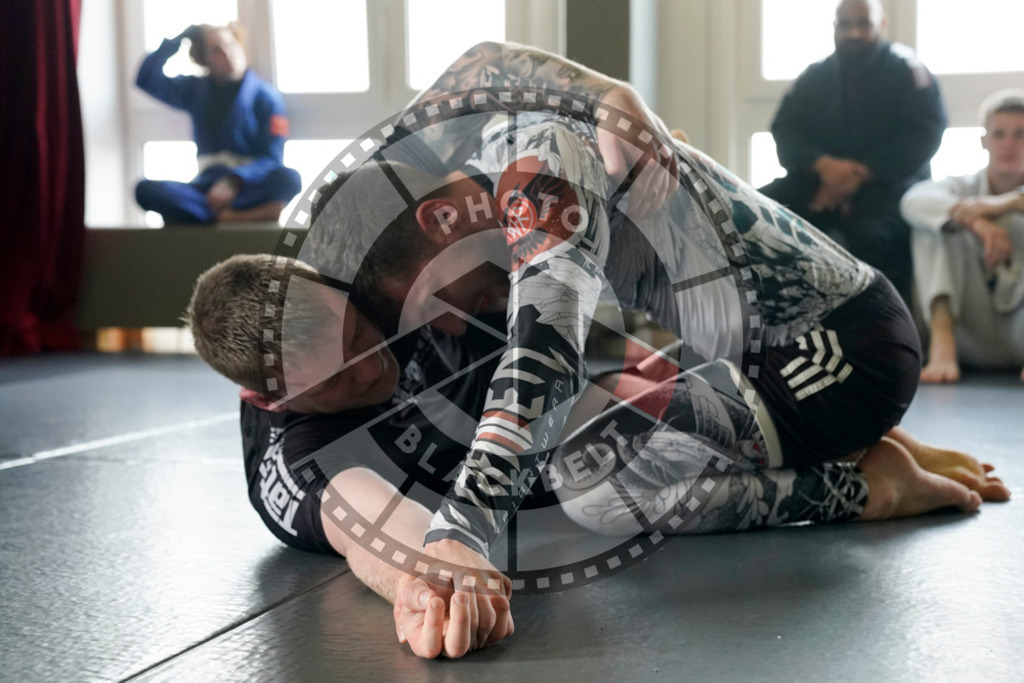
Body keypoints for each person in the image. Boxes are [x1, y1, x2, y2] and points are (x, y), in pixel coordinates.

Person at [307, 42, 1007, 658]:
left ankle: (867, 487)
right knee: (601, 422)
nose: (452, 327)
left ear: (436, 221)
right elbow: (476, 60)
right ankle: (862, 444)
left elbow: (545, 355)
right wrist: (601, 90)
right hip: (757, 358)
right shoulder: (441, 161)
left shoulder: (538, 165)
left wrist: (460, 529)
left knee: (591, 486)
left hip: (838, 355)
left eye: (436, 303)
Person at [758, 0, 946, 308]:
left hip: (887, 186)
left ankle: (883, 337)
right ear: (834, 28)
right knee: (758, 212)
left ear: (881, 24)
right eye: (845, 25)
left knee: (873, 236)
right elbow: (785, 131)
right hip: (819, 181)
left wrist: (861, 174)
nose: (854, 32)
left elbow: (924, 135)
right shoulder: (813, 76)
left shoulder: (908, 70)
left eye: (863, 24)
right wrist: (824, 165)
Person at [900, 89, 1024, 383]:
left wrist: (1010, 202)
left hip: (1018, 333)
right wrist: (977, 223)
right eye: (999, 134)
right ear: (984, 141)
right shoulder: (962, 187)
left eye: (1020, 134)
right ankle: (942, 349)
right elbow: (912, 201)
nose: (1009, 144)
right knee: (936, 225)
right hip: (967, 334)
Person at [134, 24, 301, 224]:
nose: (227, 54)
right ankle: (229, 216)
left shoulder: (266, 97)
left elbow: (272, 157)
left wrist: (235, 180)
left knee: (290, 178)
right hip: (206, 189)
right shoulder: (195, 90)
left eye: (230, 45)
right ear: (205, 60)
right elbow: (146, 78)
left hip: (247, 187)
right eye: (216, 51)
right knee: (144, 190)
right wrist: (178, 40)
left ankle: (205, 216)